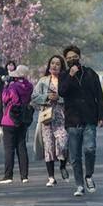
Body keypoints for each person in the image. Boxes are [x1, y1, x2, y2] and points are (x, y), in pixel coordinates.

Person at [58, 45, 103, 197]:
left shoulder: (90, 73)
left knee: (90, 149)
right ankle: (79, 185)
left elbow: (99, 95)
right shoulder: (64, 75)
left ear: (79, 57)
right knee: (75, 156)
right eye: (69, 58)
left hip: (89, 118)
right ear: (66, 61)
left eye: (75, 57)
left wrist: (102, 115)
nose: (72, 60)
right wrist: (70, 76)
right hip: (72, 120)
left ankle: (89, 176)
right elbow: (62, 92)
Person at [32, 55, 70, 186]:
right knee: (49, 147)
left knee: (63, 142)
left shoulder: (65, 81)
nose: (54, 66)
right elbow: (34, 98)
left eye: (57, 64)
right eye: (52, 63)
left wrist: (59, 98)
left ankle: (63, 166)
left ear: (62, 67)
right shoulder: (43, 81)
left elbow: (71, 99)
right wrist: (46, 97)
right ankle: (51, 177)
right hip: (47, 118)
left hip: (62, 118)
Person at [0, 65, 34, 184]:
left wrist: (5, 87)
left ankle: (8, 175)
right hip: (23, 119)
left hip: (10, 120)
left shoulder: (13, 86)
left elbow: (5, 99)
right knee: (21, 147)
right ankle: (24, 176)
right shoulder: (29, 86)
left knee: (9, 149)